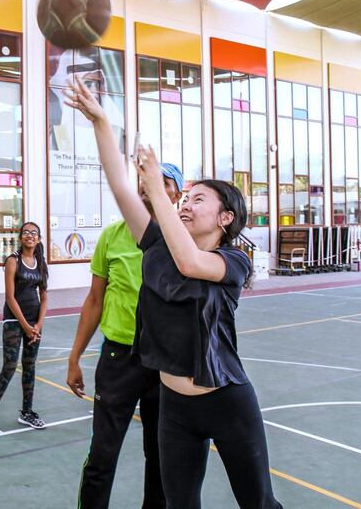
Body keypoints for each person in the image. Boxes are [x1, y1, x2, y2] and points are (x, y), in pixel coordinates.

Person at [65, 78, 282, 509]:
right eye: (183, 197)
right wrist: (102, 123)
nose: (184, 203)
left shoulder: (232, 262)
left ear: (225, 218)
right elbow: (122, 188)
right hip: (175, 408)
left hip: (226, 401)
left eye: (196, 199)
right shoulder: (157, 246)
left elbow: (190, 264)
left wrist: (156, 187)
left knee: (258, 503)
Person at [68, 162, 184, 509]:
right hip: (119, 360)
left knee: (161, 457)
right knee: (102, 455)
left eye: (161, 182)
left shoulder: (185, 240)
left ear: (176, 193)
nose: (148, 186)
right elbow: (94, 301)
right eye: (145, 180)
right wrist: (74, 357)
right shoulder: (113, 236)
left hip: (165, 363)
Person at [0, 222, 49, 437]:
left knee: (30, 366)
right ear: (21, 237)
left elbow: (44, 296)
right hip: (13, 322)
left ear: (38, 239)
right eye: (26, 232)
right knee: (9, 367)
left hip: (33, 322)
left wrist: (38, 325)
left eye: (34, 233)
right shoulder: (13, 261)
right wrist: (26, 326)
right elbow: (10, 297)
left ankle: (26, 412)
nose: (30, 235)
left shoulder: (40, 263)